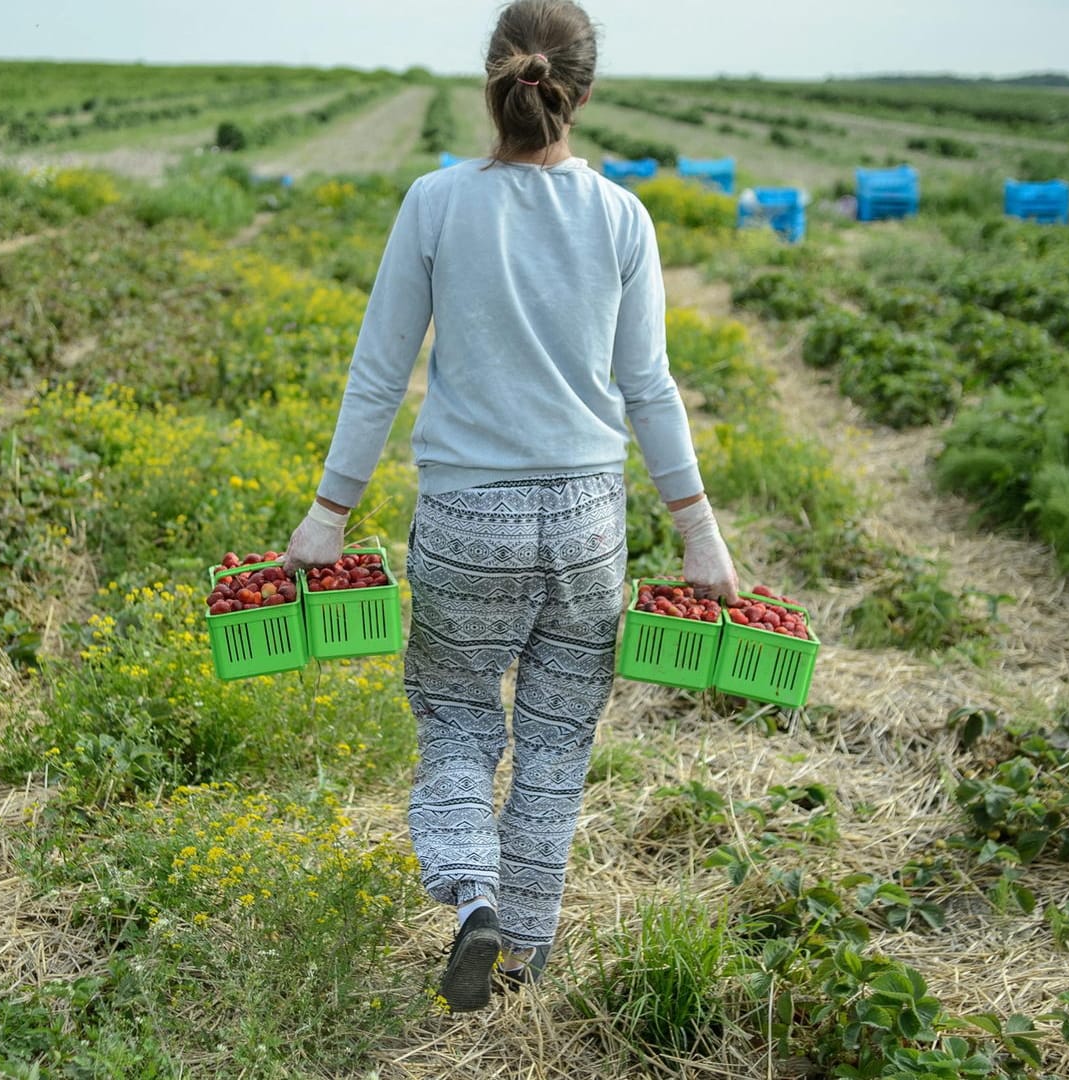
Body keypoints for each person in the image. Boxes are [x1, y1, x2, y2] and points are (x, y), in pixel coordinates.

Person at [284, 0, 739, 1013]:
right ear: (583, 90)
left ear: (491, 79)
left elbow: (377, 372)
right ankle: (523, 956)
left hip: (468, 521)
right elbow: (650, 388)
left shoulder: (436, 202)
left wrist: (329, 512)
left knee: (453, 718)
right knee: (555, 744)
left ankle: (473, 896)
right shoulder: (622, 215)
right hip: (586, 524)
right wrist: (700, 537)